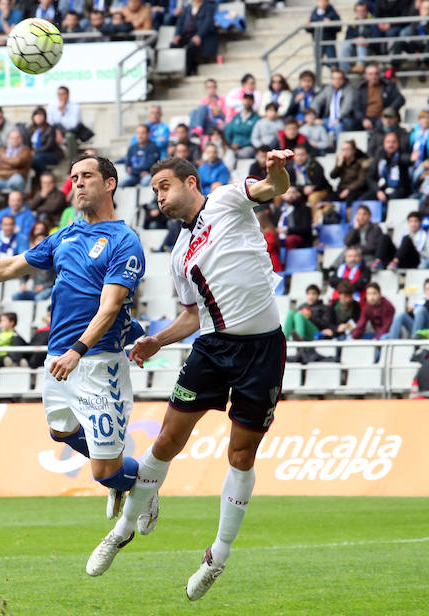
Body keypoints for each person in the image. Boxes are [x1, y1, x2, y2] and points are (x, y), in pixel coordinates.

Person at [79, 151, 291, 598]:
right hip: (213, 348)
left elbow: (275, 188)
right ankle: (120, 532)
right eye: (155, 190)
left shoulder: (228, 200)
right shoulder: (177, 255)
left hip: (263, 349)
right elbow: (193, 316)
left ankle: (219, 555)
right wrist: (158, 340)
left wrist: (275, 167)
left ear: (191, 183)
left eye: (164, 186)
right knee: (165, 442)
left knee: (240, 455)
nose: (159, 196)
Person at [0, 153, 146, 520]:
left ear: (109, 184)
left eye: (86, 176)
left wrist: (77, 351)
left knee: (105, 472)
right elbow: (7, 266)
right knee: (60, 431)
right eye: (73, 177)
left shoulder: (123, 240)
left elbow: (110, 307)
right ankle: (119, 476)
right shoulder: (65, 235)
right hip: (59, 358)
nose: (77, 182)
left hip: (95, 361)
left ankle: (141, 481)